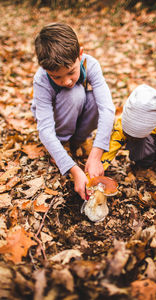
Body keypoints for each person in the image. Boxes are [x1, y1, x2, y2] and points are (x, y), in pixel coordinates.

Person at [31, 23, 115, 200]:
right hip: (58, 119)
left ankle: (79, 139)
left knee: (94, 99)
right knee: (73, 92)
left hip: (78, 113)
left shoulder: (91, 65)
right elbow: (45, 130)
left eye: (71, 72)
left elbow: (107, 109)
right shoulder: (41, 80)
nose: (66, 80)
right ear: (46, 70)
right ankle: (63, 143)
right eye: (57, 77)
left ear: (80, 54)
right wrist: (73, 169)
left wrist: (96, 154)